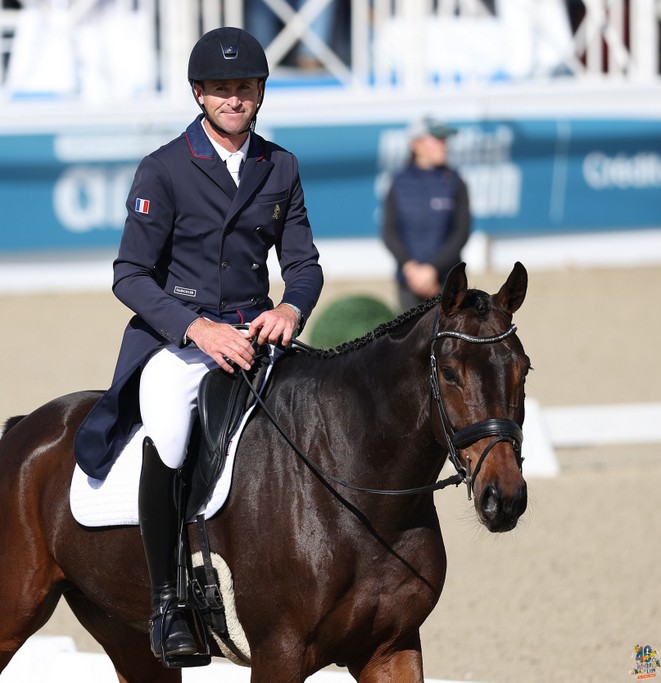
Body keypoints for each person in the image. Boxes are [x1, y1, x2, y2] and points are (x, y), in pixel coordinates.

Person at [73, 27, 324, 665]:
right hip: (177, 338)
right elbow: (129, 275)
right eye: (221, 90)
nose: (234, 100)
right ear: (199, 94)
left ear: (260, 93)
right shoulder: (163, 167)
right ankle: (168, 602)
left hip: (252, 332)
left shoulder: (281, 166)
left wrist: (291, 307)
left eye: (244, 89)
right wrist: (197, 330)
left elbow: (304, 264)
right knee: (171, 428)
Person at [381, 115, 471, 312]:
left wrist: (432, 270)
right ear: (416, 144)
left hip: (448, 283)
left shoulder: (455, 182)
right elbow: (390, 232)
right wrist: (411, 269)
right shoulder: (399, 183)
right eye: (438, 140)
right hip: (409, 283)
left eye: (445, 140)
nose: (444, 145)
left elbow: (461, 233)